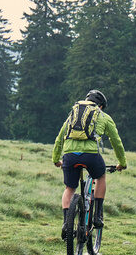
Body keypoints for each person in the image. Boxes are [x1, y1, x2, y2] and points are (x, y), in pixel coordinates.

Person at [52, 89, 126, 239]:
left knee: (69, 188)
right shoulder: (104, 116)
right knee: (100, 177)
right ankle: (97, 216)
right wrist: (122, 162)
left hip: (70, 156)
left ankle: (67, 223)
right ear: (101, 106)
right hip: (91, 156)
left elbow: (60, 138)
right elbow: (116, 141)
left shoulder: (72, 116)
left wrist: (56, 160)